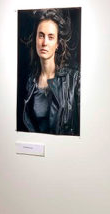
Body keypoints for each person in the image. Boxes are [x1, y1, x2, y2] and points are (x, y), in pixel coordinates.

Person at [21, 8, 80, 136]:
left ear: (57, 43)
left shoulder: (74, 79)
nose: (44, 43)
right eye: (41, 35)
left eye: (51, 37)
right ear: (35, 39)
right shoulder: (30, 82)